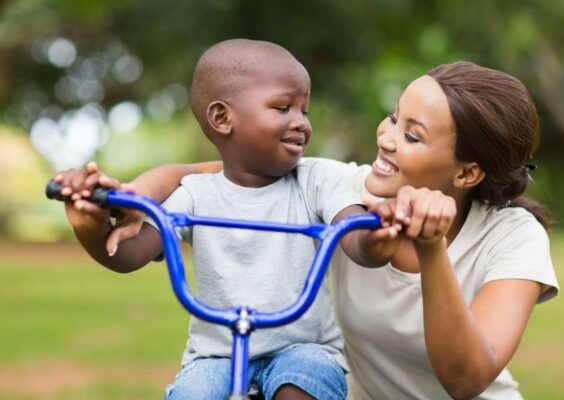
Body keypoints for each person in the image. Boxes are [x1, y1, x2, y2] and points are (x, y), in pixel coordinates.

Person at [59, 61, 559, 399]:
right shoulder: (334, 185)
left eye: (411, 135)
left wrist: (431, 250)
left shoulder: (513, 237)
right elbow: (193, 174)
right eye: (392, 117)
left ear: (467, 173)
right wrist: (127, 201)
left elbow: (466, 378)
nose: (385, 137)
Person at [53, 39, 402, 400]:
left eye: (304, 111)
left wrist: (378, 237)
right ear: (222, 118)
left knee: (300, 386)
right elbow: (128, 255)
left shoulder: (315, 181)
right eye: (283, 107)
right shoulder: (195, 195)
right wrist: (89, 228)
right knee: (192, 394)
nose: (300, 123)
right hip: (215, 354)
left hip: (303, 348)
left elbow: (357, 241)